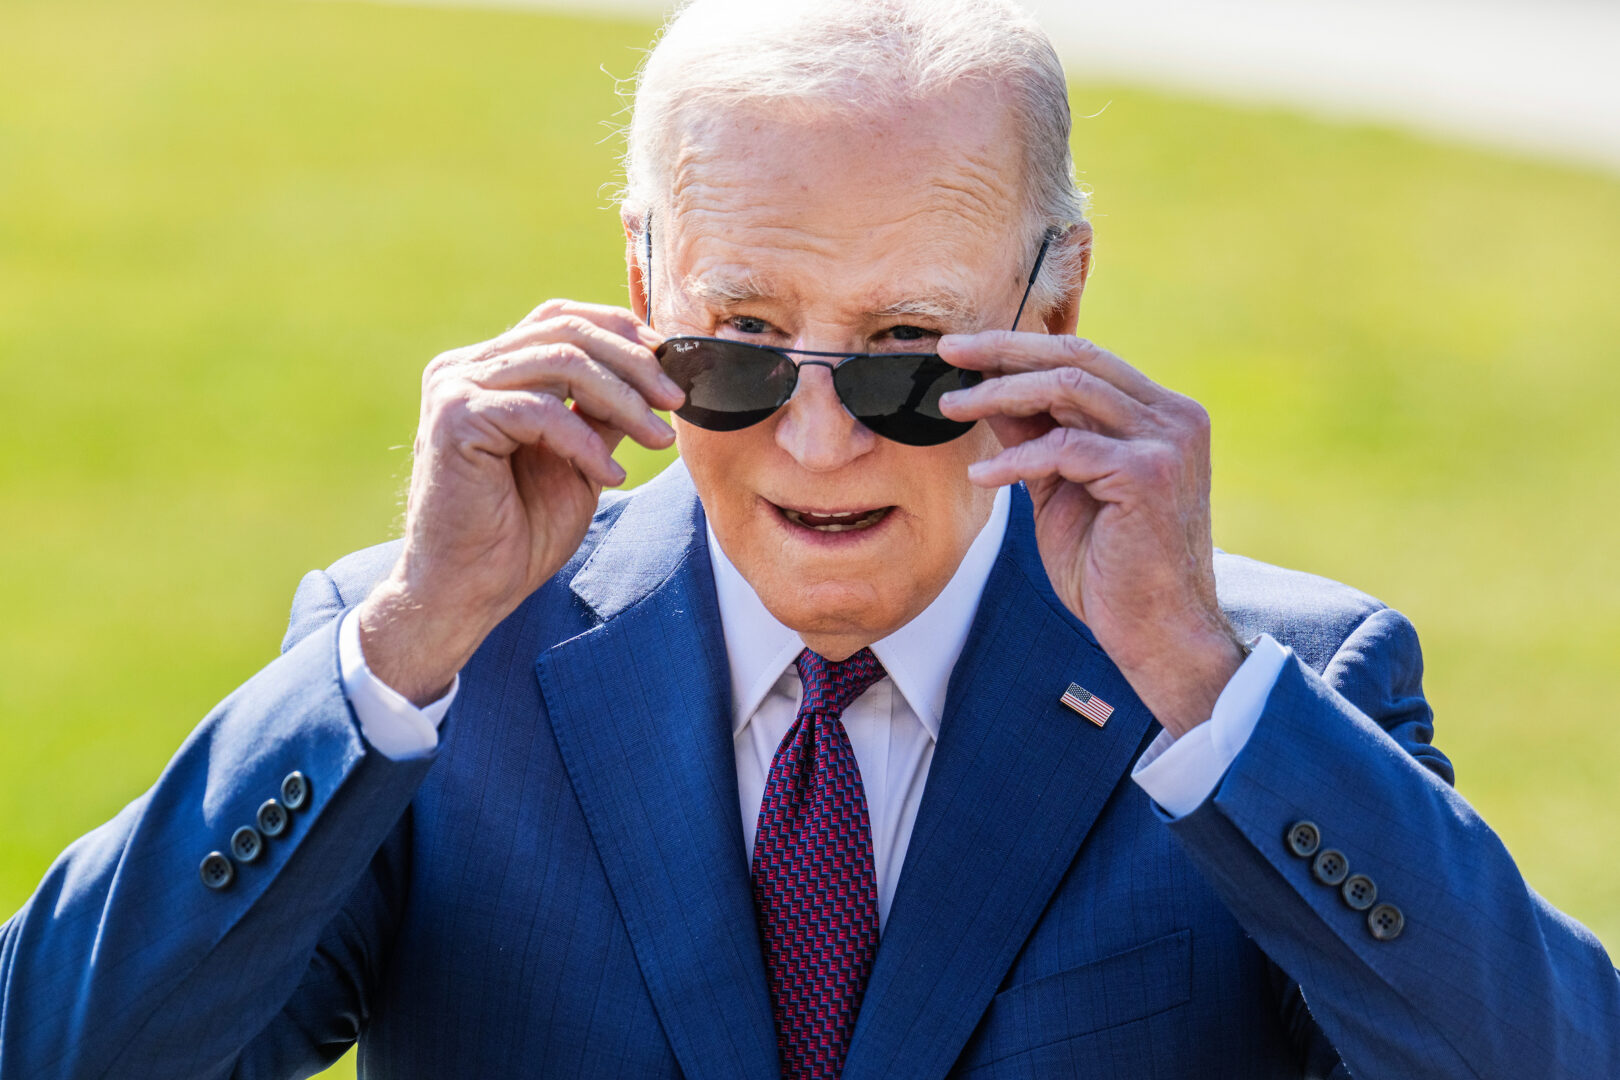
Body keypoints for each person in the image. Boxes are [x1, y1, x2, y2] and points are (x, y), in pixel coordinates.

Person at [2, 1, 1616, 1077]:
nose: (819, 440)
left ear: (1053, 302)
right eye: (742, 344)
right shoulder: (431, 667)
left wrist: (1198, 683)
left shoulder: (1280, 691)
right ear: (643, 288)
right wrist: (400, 648)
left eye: (909, 352)